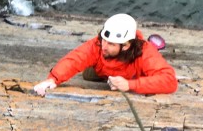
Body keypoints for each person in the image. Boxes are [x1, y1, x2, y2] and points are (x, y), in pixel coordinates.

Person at [31, 13, 178, 96]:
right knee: (87, 75)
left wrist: (129, 85)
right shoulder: (99, 44)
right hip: (103, 70)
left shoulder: (144, 52)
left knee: (148, 75)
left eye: (111, 44)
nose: (104, 47)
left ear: (126, 45)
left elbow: (169, 81)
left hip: (132, 74)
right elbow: (75, 59)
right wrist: (53, 79)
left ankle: (155, 48)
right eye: (104, 40)